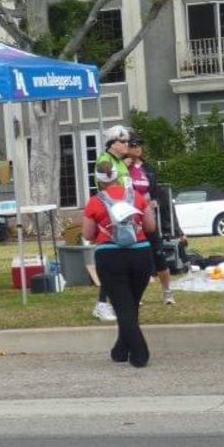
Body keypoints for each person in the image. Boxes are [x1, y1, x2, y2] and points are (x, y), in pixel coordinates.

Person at [82, 163, 157, 368]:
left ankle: (140, 353)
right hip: (140, 252)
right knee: (131, 304)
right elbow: (150, 226)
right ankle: (121, 349)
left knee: (123, 306)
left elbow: (88, 235)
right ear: (117, 176)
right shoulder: (137, 197)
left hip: (110, 255)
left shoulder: (95, 202)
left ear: (98, 180)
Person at [126, 136, 177, 305]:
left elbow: (155, 190)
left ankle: (167, 291)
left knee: (157, 252)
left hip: (147, 214)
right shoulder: (123, 167)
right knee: (133, 255)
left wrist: (154, 202)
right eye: (133, 145)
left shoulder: (148, 168)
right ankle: (134, 293)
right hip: (131, 217)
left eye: (139, 144)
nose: (137, 148)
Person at [92, 125, 133, 322]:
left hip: (124, 215)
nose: (127, 145)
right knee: (112, 264)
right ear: (112, 144)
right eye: (123, 141)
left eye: (127, 141)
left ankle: (114, 302)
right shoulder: (106, 162)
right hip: (112, 217)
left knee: (122, 264)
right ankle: (102, 304)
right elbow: (107, 188)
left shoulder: (120, 162)